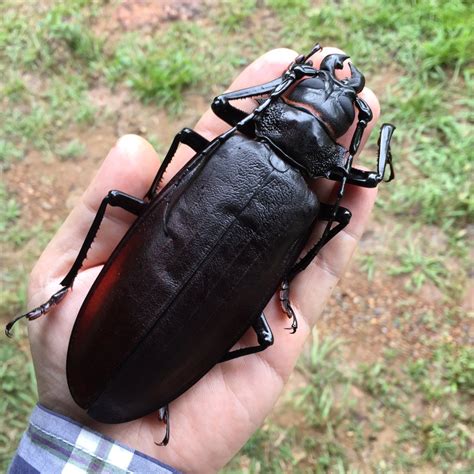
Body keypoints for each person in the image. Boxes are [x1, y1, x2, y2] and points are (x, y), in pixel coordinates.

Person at [8, 47, 380, 473]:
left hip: (118, 330)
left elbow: (213, 117)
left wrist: (282, 85)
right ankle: (155, 380)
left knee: (122, 197)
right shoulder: (306, 205)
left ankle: (65, 295)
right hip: (141, 350)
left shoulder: (234, 145)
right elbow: (334, 219)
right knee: (263, 338)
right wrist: (286, 280)